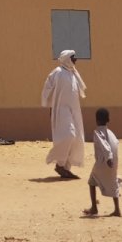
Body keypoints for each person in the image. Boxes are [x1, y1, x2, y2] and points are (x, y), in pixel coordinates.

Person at [41, 50, 85, 180]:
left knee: (77, 138)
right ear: (67, 58)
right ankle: (59, 163)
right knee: (68, 135)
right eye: (73, 57)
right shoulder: (57, 72)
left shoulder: (73, 73)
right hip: (61, 110)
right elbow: (47, 89)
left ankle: (66, 168)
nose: (76, 59)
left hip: (75, 110)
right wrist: (50, 106)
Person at [84, 108, 122, 218]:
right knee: (113, 183)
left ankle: (94, 208)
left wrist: (108, 158)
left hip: (103, 162)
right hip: (113, 163)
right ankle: (117, 209)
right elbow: (115, 144)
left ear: (96, 120)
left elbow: (105, 146)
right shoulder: (111, 133)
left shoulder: (97, 132)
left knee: (91, 182)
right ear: (108, 120)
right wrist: (112, 160)